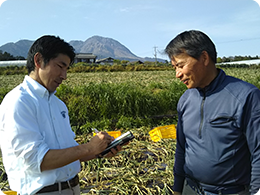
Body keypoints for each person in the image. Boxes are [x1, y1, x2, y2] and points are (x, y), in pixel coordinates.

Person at [0, 35, 122, 195]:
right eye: (60, 66)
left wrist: (97, 151)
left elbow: (67, 152)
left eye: (67, 69)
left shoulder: (58, 104)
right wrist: (88, 148)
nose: (64, 76)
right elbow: (36, 160)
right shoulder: (19, 102)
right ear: (38, 61)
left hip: (72, 188)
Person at [164, 30, 260, 195]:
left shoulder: (245, 96)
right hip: (191, 189)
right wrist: (177, 188)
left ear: (204, 58)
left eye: (180, 66)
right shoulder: (186, 99)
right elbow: (181, 147)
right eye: (174, 68)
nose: (177, 74)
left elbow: (258, 153)